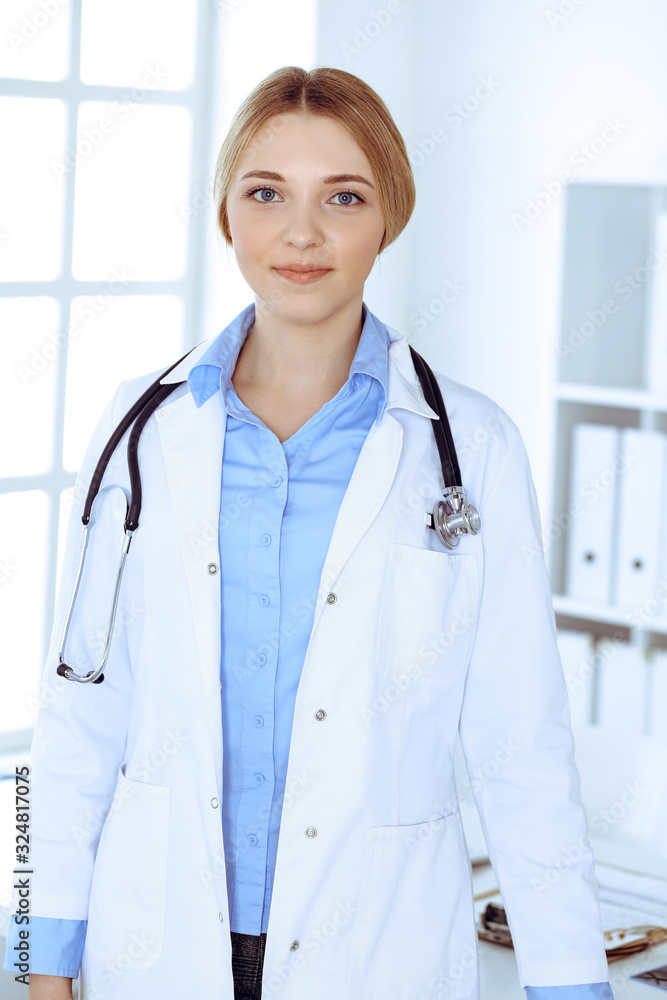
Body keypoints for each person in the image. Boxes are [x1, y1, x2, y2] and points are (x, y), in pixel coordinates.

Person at [5, 66, 614, 1000]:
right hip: (155, 945)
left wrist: (570, 983)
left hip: (378, 951)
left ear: (387, 218)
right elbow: (81, 714)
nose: (300, 233)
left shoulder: (471, 447)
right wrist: (38, 965)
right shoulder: (142, 431)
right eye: (265, 193)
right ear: (225, 217)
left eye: (343, 196)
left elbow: (517, 744)